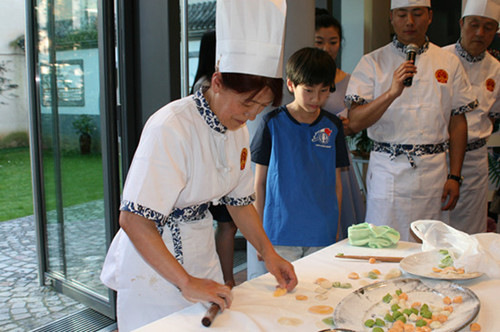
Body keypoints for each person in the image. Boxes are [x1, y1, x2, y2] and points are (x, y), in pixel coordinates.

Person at [100, 1, 297, 330]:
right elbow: (133, 219)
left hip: (200, 252)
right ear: (217, 81)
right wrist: (185, 281)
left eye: (260, 107)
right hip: (153, 269)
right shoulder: (171, 127)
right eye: (246, 102)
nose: (250, 115)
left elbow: (240, 203)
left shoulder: (238, 130)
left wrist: (269, 253)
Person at [345, 0, 477, 241]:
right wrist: (391, 93)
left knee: (430, 246)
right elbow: (354, 122)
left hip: (434, 171)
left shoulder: (448, 62)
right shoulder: (372, 62)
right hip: (388, 170)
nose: (410, 22)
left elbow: (457, 121)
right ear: (391, 17)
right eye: (402, 14)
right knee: (383, 243)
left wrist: (455, 175)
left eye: (417, 14)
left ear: (429, 16)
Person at [251, 47, 349, 262]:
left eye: (324, 91)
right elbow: (259, 183)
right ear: (291, 85)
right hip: (280, 232)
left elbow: (337, 185)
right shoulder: (271, 123)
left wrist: (335, 226)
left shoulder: (333, 126)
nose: (316, 98)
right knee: (284, 293)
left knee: (319, 291)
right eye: (309, 90)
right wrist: (259, 237)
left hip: (322, 231)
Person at [443, 0, 500, 234]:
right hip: (440, 157)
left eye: (488, 27)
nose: (480, 33)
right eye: (474, 25)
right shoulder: (440, 59)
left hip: (475, 161)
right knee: (436, 224)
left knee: (470, 231)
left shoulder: (496, 69)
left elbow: (493, 116)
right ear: (461, 23)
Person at [191, 29, 239, 288]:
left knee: (227, 224)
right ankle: (227, 278)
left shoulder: (204, 82)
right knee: (225, 225)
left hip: (220, 168)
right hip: (213, 169)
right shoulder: (207, 86)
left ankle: (226, 278)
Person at [315, 9, 366, 239]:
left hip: (337, 156)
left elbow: (356, 123)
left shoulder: (349, 81)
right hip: (308, 158)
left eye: (333, 42)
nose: (326, 48)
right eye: (319, 42)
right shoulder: (301, 80)